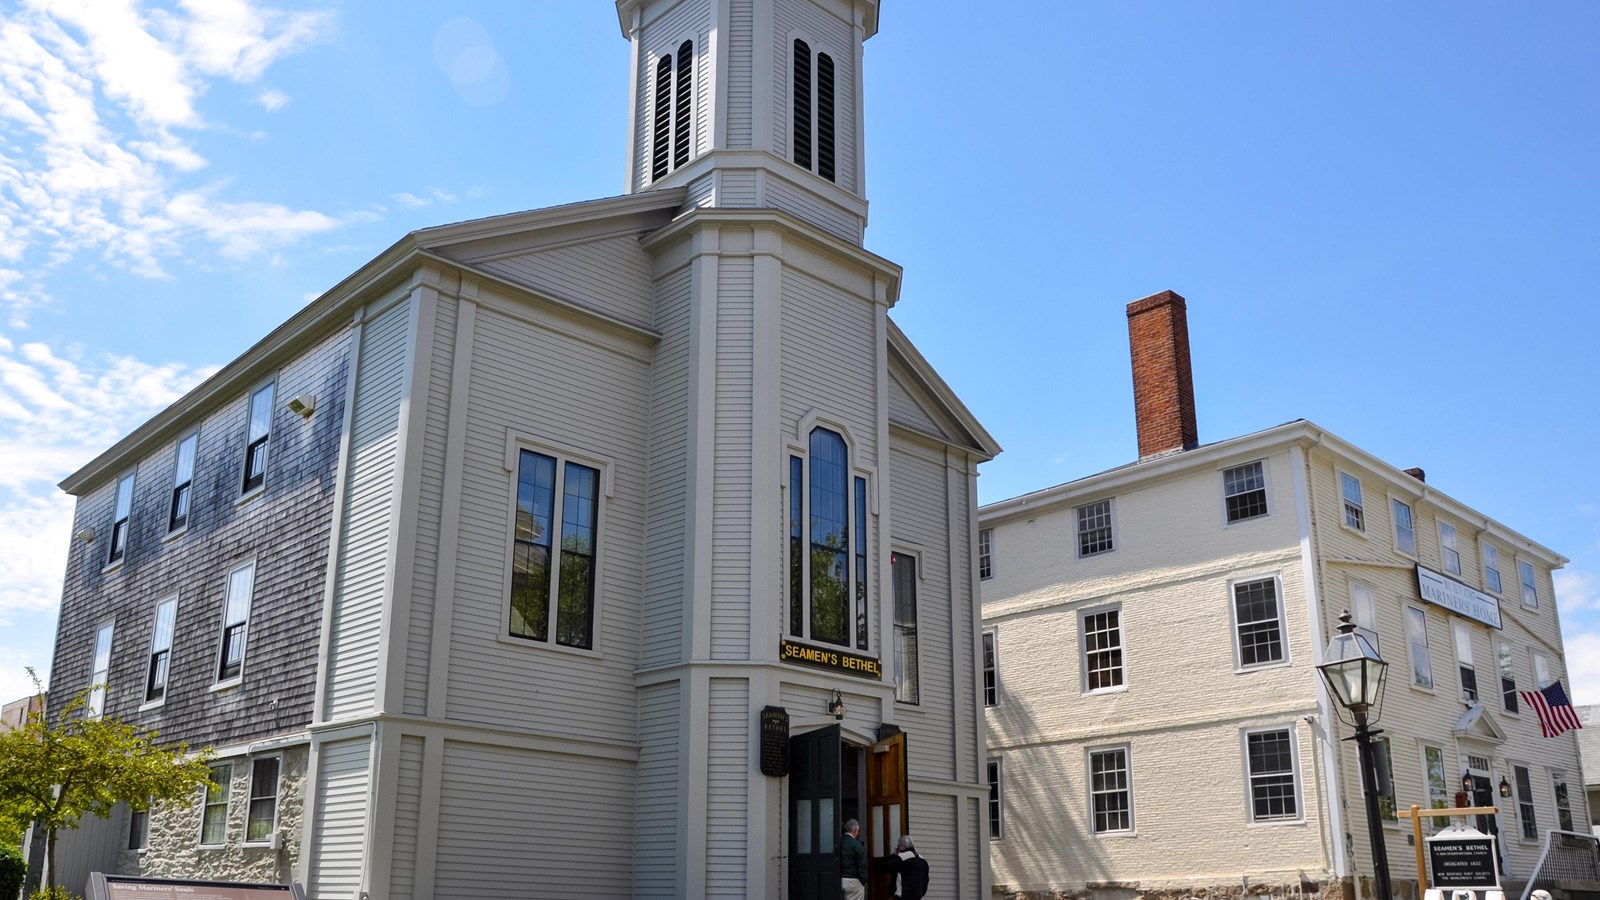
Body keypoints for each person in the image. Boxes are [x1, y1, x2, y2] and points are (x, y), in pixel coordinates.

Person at [882, 834, 930, 900]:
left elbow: (888, 866)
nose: (897, 847)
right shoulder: (923, 860)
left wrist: (893, 855)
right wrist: (921, 893)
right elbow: (926, 879)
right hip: (917, 895)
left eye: (898, 845)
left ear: (903, 845)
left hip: (903, 896)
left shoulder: (901, 857)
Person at [840, 818, 867, 900]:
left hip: (839, 878)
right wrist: (863, 880)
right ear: (855, 830)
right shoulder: (857, 845)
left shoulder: (838, 842)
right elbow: (862, 865)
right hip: (853, 880)